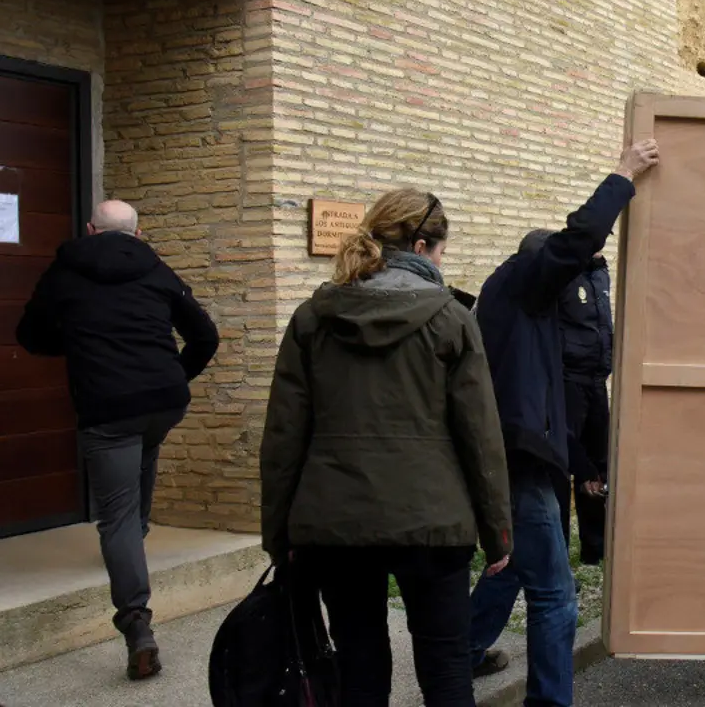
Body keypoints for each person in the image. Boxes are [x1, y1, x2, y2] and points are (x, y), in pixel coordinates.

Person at [259, 188, 513, 707]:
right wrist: (498, 535)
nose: (443, 261)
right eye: (442, 250)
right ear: (422, 246)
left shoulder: (313, 319)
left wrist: (278, 532)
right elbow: (481, 437)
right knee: (445, 669)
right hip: (434, 523)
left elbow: (283, 436)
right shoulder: (452, 319)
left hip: (336, 522)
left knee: (358, 666)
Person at [468, 138, 659, 706]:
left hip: (522, 455)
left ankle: (458, 655)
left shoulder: (524, 315)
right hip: (519, 463)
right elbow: (580, 237)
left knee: (510, 568)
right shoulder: (524, 285)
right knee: (556, 596)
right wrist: (623, 175)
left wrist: (584, 464)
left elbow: (547, 402)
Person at [16, 199, 219, 681]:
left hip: (109, 406)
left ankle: (136, 624)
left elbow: (30, 335)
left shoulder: (66, 271)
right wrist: (175, 376)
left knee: (118, 517)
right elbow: (205, 336)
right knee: (142, 462)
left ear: (90, 229)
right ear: (137, 231)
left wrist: (80, 340)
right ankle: (135, 544)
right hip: (163, 401)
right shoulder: (156, 267)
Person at [554, 252, 613, 566]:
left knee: (598, 463)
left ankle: (595, 548)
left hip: (597, 379)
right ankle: (558, 553)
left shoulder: (601, 274)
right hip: (569, 380)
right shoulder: (566, 271)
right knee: (565, 463)